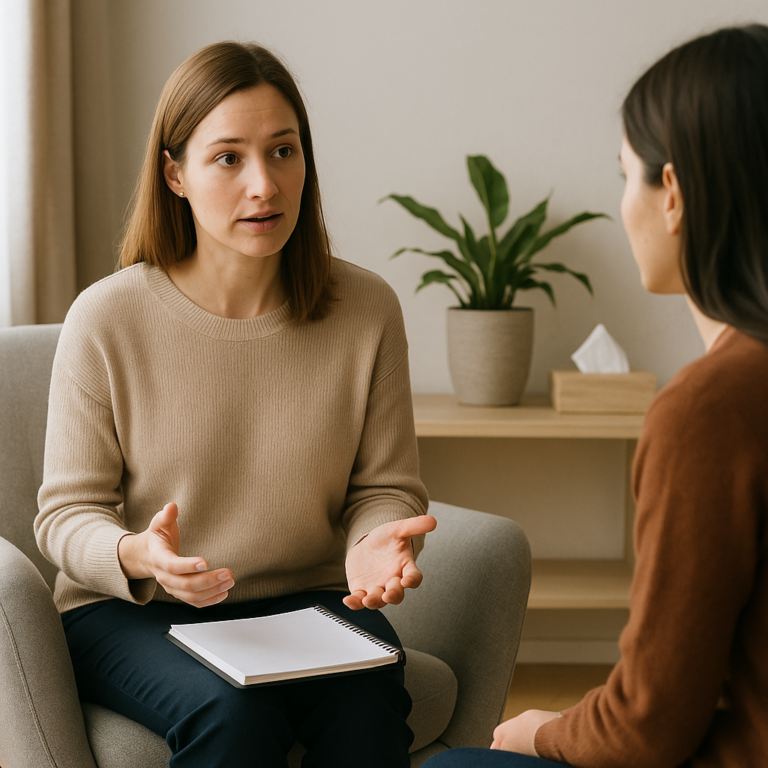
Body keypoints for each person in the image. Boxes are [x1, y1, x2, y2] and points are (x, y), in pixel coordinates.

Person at [35, 40, 436, 768]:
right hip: (137, 613)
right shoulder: (107, 318)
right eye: (229, 158)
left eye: (283, 152)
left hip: (309, 606)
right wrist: (137, 554)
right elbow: (64, 518)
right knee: (232, 712)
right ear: (175, 174)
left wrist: (371, 540)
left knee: (369, 706)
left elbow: (385, 487)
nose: (265, 184)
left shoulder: (366, 309)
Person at [422, 23, 768, 768]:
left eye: (624, 174)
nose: (622, 205)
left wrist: (543, 731)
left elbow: (649, 725)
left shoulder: (709, 413)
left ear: (672, 192)